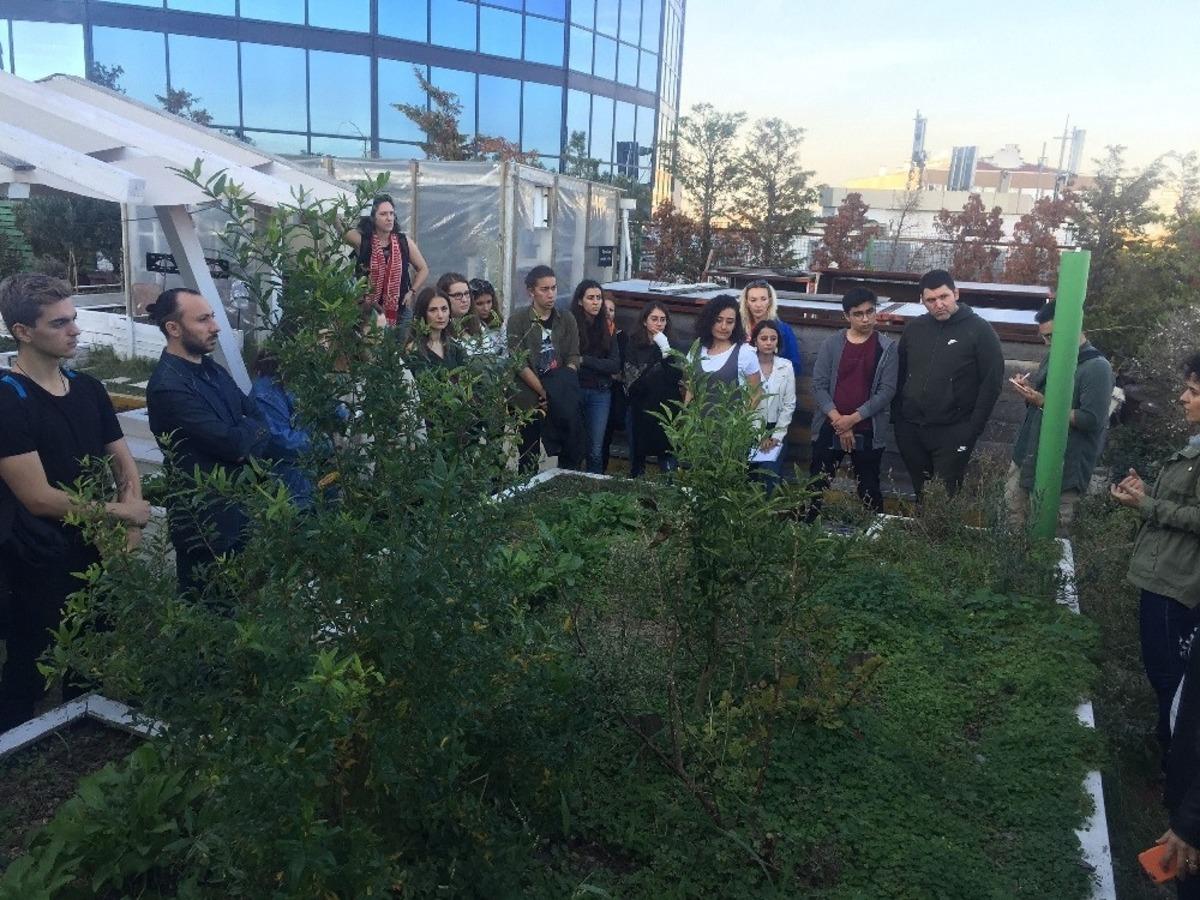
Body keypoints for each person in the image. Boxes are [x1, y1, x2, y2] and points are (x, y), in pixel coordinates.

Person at [0, 274, 150, 730]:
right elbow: (39, 497)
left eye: (74, 319)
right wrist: (123, 513)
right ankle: (15, 759)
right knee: (31, 665)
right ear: (23, 332)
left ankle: (84, 738)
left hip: (95, 549)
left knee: (91, 656)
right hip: (35, 556)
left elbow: (123, 464)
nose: (75, 331)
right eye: (59, 323)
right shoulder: (10, 399)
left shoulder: (87, 388)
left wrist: (128, 533)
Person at [146, 288, 272, 600]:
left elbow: (258, 417)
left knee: (245, 602)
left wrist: (247, 433)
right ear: (173, 329)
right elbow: (232, 444)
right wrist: (247, 434)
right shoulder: (168, 387)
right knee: (211, 610)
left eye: (212, 317)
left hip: (238, 508)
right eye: (203, 319)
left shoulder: (211, 369)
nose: (215, 326)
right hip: (205, 523)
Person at [1112, 353, 1200, 765]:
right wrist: (1146, 495)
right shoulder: (1194, 444)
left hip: (1176, 582)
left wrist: (1148, 505)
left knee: (1172, 681)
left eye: (1193, 391)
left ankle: (1175, 772)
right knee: (1168, 678)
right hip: (1165, 573)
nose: (1183, 398)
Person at [892, 269, 1004, 498]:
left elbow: (991, 383)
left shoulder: (980, 331)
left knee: (944, 497)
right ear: (923, 301)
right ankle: (921, 534)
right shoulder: (914, 329)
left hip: (954, 430)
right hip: (911, 428)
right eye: (931, 300)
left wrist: (972, 429)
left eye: (944, 297)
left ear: (956, 293)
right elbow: (900, 373)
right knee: (921, 493)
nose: (938, 304)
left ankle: (939, 534)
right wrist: (899, 419)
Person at [1006, 300, 1114, 534]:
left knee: (1049, 540)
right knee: (1011, 529)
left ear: (1076, 327)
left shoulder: (1097, 368)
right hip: (1026, 459)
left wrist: (1043, 401)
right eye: (1044, 337)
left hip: (1062, 472)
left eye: (1052, 336)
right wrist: (1029, 392)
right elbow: (1041, 404)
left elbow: (1091, 420)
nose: (1047, 343)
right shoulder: (1053, 356)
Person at [808, 287, 898, 518]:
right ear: (847, 316)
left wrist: (853, 419)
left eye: (870, 311)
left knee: (868, 488)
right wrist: (839, 420)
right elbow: (818, 385)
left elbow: (886, 391)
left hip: (868, 429)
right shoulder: (832, 344)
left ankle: (874, 539)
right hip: (830, 426)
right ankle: (803, 533)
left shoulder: (887, 348)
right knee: (816, 485)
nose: (866, 318)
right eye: (858, 313)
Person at [506, 265, 582, 473]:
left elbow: (574, 356)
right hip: (529, 397)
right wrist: (544, 391)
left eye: (554, 288)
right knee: (528, 455)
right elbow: (518, 361)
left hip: (561, 395)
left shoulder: (566, 319)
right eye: (544, 289)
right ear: (531, 291)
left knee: (567, 451)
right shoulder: (518, 320)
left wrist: (558, 390)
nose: (551, 294)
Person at [345, 194, 429, 330]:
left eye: (391, 213)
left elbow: (423, 269)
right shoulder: (364, 242)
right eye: (383, 214)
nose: (389, 218)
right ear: (373, 217)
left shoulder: (403, 242)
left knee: (402, 348)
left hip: (400, 311)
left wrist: (412, 291)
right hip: (370, 313)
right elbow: (342, 230)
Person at [250, 346, 315, 511]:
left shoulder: (303, 380)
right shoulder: (267, 391)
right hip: (290, 492)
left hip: (310, 486)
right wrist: (329, 443)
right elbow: (279, 442)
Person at [622, 301, 681, 477]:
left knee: (668, 461)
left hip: (665, 411)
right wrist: (656, 369)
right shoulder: (633, 344)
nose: (659, 323)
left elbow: (675, 376)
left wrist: (665, 349)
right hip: (639, 410)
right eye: (654, 319)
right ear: (644, 321)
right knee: (637, 462)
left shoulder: (671, 345)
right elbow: (632, 380)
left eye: (663, 319)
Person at [571, 280, 621, 474]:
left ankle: (594, 493)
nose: (596, 302)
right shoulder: (571, 324)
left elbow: (614, 364)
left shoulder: (607, 327)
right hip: (576, 390)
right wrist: (586, 362)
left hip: (600, 393)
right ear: (580, 301)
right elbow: (569, 358)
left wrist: (584, 360)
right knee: (573, 446)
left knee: (595, 450)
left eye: (598, 298)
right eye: (590, 298)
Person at [748, 320, 796, 492]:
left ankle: (770, 517)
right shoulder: (747, 365)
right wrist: (759, 435)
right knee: (748, 478)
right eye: (764, 338)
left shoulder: (786, 366)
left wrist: (776, 435)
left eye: (773, 338)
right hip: (749, 430)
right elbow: (745, 402)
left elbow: (789, 403)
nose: (768, 342)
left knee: (771, 479)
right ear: (755, 341)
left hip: (776, 430)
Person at [691, 294, 761, 401]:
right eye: (718, 320)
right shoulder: (696, 349)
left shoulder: (745, 353)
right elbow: (689, 391)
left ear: (736, 324)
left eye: (729, 322)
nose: (723, 327)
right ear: (709, 320)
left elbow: (755, 395)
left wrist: (739, 417)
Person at [739, 280, 802, 374]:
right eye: (753, 300)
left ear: (770, 301)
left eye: (763, 299)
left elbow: (795, 366)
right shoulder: (739, 328)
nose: (758, 305)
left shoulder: (783, 330)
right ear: (746, 302)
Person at [406, 287, 466, 372]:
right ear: (422, 314)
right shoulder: (413, 350)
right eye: (433, 310)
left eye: (444, 309)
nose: (440, 315)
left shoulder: (454, 347)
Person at [601, 296, 627, 473]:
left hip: (614, 393)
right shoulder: (590, 334)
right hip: (595, 388)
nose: (608, 313)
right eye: (605, 309)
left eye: (611, 310)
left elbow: (620, 368)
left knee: (605, 437)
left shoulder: (621, 337)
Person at [468, 278, 505, 357]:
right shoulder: (465, 328)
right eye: (479, 304)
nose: (486, 308)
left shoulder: (499, 323)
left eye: (489, 302)